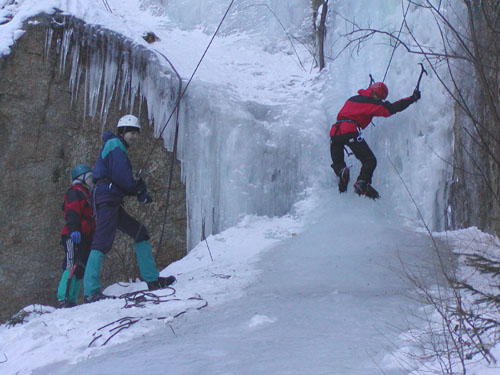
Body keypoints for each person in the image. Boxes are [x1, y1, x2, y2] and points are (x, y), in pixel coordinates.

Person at [83, 114, 176, 303]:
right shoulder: (115, 146)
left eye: (136, 133)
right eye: (130, 132)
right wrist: (136, 188)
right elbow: (121, 176)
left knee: (140, 232)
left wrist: (136, 188)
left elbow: (122, 177)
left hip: (111, 200)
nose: (134, 136)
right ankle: (91, 290)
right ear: (122, 132)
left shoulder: (117, 147)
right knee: (102, 242)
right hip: (108, 199)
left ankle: (152, 280)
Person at [329, 81, 421, 199]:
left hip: (335, 132)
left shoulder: (354, 98)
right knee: (369, 160)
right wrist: (412, 98)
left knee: (338, 162)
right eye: (380, 98)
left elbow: (357, 111)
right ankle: (362, 182)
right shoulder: (372, 103)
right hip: (349, 130)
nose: (380, 101)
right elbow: (391, 109)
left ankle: (342, 175)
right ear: (376, 95)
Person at [56, 164, 95, 308]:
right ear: (82, 178)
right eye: (89, 177)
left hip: (84, 236)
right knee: (71, 263)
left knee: (80, 267)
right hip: (73, 235)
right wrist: (74, 230)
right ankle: (63, 298)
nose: (92, 180)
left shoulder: (86, 194)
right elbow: (72, 212)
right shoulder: (75, 192)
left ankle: (71, 298)